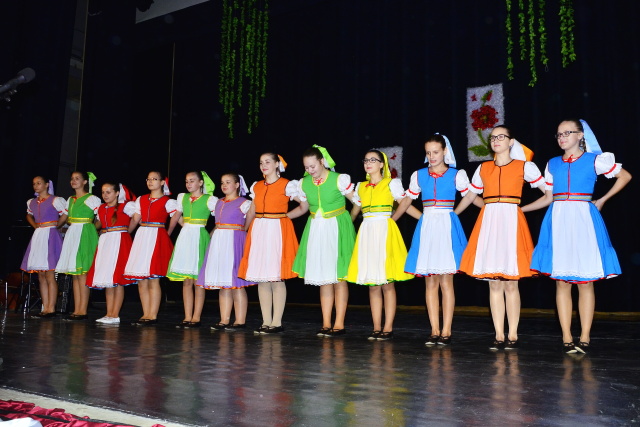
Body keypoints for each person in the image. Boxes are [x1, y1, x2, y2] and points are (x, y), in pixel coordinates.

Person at [527, 119, 631, 354]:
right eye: (559, 134)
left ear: (580, 135)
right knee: (561, 281)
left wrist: (602, 200)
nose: (562, 137)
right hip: (558, 220)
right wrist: (520, 210)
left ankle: (584, 336)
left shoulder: (595, 160)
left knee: (586, 281)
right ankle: (566, 336)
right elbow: (548, 197)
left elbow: (625, 176)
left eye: (567, 133)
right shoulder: (552, 163)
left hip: (584, 220)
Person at [456, 126, 545, 350]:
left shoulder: (524, 166)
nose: (496, 140)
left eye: (501, 137)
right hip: (489, 223)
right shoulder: (483, 168)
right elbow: (471, 195)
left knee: (511, 283)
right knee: (494, 284)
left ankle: (513, 334)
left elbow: (550, 194)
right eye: (493, 137)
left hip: (511, 222)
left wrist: (522, 209)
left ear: (511, 141)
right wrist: (454, 214)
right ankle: (498, 334)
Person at [403, 134, 471, 346]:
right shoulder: (419, 175)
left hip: (446, 226)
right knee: (430, 281)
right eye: (428, 152)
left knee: (446, 281)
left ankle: (447, 330)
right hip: (428, 228)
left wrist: (454, 214)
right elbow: (406, 201)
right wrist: (410, 217)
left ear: (444, 152)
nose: (431, 156)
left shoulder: (456, 174)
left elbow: (471, 196)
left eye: (435, 152)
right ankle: (434, 329)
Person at [347, 149, 414, 340]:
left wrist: (417, 219)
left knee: (387, 283)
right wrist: (345, 227)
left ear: (382, 164)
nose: (368, 163)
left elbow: (405, 203)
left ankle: (388, 327)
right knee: (373, 284)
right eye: (366, 160)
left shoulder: (391, 183)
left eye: (373, 160)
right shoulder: (361, 186)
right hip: (367, 232)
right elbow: (355, 211)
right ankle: (376, 326)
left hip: (384, 231)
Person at [290, 145, 357, 336]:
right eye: (306, 167)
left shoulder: (338, 179)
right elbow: (303, 208)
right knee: (323, 278)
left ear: (321, 162)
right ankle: (326, 322)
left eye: (313, 166)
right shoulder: (303, 183)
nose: (310, 170)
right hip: (316, 230)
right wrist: (282, 217)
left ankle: (339, 323)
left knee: (339, 277)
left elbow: (357, 202)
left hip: (336, 228)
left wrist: (348, 221)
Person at [238, 153, 302, 334]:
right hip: (259, 230)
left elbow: (304, 206)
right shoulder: (257, 186)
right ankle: (266, 321)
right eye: (261, 163)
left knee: (276, 276)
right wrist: (244, 230)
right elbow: (252, 210)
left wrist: (285, 217)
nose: (263, 165)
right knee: (262, 277)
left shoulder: (287, 185)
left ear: (276, 164)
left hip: (276, 231)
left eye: (267, 162)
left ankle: (277, 322)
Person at [198, 173, 256, 330]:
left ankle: (240, 321)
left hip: (234, 241)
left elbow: (250, 221)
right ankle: (224, 319)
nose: (224, 185)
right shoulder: (218, 202)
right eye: (222, 182)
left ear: (237, 185)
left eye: (228, 182)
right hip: (219, 242)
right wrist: (210, 239)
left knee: (236, 283)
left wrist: (242, 232)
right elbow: (217, 224)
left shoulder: (244, 203)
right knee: (223, 282)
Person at [124, 171, 178, 325]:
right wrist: (125, 234)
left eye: (154, 179)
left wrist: (168, 232)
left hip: (156, 237)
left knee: (154, 279)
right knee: (142, 280)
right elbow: (135, 219)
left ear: (162, 182)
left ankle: (152, 315)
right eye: (148, 179)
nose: (150, 181)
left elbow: (177, 218)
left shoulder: (168, 201)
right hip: (142, 237)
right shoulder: (141, 199)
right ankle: (145, 313)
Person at [167, 171, 218, 328]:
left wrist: (209, 235)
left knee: (198, 281)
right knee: (187, 280)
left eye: (192, 181)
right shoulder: (182, 197)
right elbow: (176, 217)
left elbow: (221, 220)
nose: (188, 184)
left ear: (201, 183)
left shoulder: (209, 200)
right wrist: (168, 233)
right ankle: (187, 316)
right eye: (187, 181)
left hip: (199, 237)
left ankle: (196, 317)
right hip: (185, 237)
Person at [86, 182, 136, 324]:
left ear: (117, 193)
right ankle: (108, 313)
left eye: (108, 192)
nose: (105, 195)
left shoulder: (126, 206)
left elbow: (137, 217)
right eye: (103, 192)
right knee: (108, 280)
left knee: (117, 280)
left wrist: (127, 230)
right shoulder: (101, 208)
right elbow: (100, 223)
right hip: (106, 242)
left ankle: (115, 315)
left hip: (119, 241)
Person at [55, 171, 100, 320]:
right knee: (75, 274)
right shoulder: (70, 199)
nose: (73, 181)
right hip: (73, 234)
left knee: (83, 274)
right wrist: (54, 227)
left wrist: (91, 229)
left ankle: (83, 310)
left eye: (77, 179)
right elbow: (64, 217)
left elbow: (101, 218)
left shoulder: (92, 199)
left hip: (85, 233)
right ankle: (77, 309)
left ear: (85, 182)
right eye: (72, 179)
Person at [21, 176, 65, 317]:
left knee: (50, 273)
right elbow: (28, 215)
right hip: (39, 235)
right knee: (41, 274)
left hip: (50, 234)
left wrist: (56, 225)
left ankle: (51, 307)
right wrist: (36, 226)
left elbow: (65, 214)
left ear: (46, 185)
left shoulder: (55, 200)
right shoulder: (32, 202)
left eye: (39, 183)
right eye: (34, 184)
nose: (36, 186)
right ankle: (44, 307)